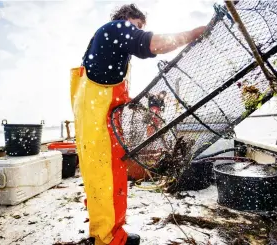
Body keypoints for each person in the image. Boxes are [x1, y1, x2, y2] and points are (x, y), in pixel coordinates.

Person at [70, 4, 208, 245]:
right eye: (138, 26)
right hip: (98, 122)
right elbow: (153, 44)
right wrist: (195, 33)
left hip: (93, 118)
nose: (138, 31)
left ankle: (103, 233)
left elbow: (105, 84)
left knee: (99, 180)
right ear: (127, 19)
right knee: (108, 180)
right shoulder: (115, 28)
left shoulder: (104, 41)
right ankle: (109, 240)